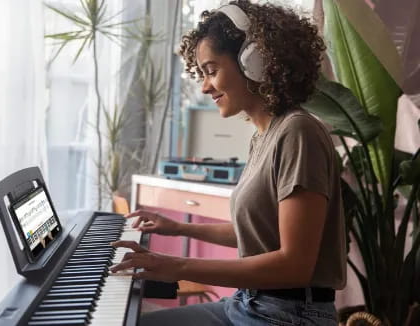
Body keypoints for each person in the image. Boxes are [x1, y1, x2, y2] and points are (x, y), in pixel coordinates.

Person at [110, 1, 346, 325]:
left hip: (289, 316)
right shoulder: (265, 135)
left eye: (211, 70)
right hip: (249, 303)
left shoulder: (298, 133)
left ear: (254, 61)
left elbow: (295, 265)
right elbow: (256, 234)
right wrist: (179, 227)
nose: (205, 86)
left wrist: (176, 265)